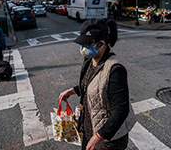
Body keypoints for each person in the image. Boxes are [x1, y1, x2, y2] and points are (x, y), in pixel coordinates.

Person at [58, 19, 136, 150]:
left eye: (87, 44)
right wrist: (72, 91)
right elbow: (92, 85)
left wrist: (99, 137)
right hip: (89, 127)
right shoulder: (90, 61)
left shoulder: (115, 69)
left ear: (101, 44)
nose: (83, 48)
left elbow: (121, 110)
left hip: (108, 139)